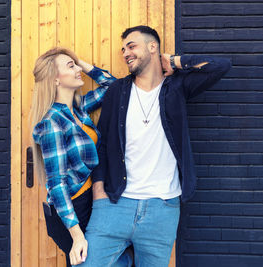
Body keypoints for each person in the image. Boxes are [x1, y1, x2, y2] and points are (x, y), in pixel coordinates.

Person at [79, 25, 231, 267]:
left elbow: (220, 66)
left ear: (152, 47)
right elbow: (104, 143)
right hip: (115, 203)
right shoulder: (118, 90)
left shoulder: (177, 88)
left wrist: (174, 61)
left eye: (132, 46)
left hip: (162, 208)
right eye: (123, 49)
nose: (126, 53)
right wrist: (99, 192)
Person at [31, 48, 132, 266]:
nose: (78, 70)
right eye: (71, 66)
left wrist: (82, 64)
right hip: (73, 210)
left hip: (90, 202)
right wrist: (77, 235)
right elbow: (56, 184)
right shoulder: (52, 123)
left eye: (75, 65)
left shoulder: (79, 110)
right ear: (55, 79)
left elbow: (114, 87)